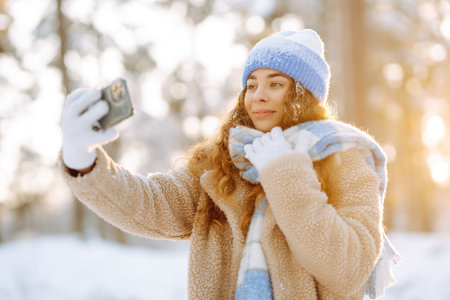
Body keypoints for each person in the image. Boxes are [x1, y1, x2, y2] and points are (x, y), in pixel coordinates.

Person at [60, 29, 400, 300]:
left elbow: (348, 268)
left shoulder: (347, 157)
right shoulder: (222, 162)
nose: (258, 96)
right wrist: (83, 160)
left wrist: (283, 170)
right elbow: (151, 204)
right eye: (251, 85)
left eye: (276, 84)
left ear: (303, 95)